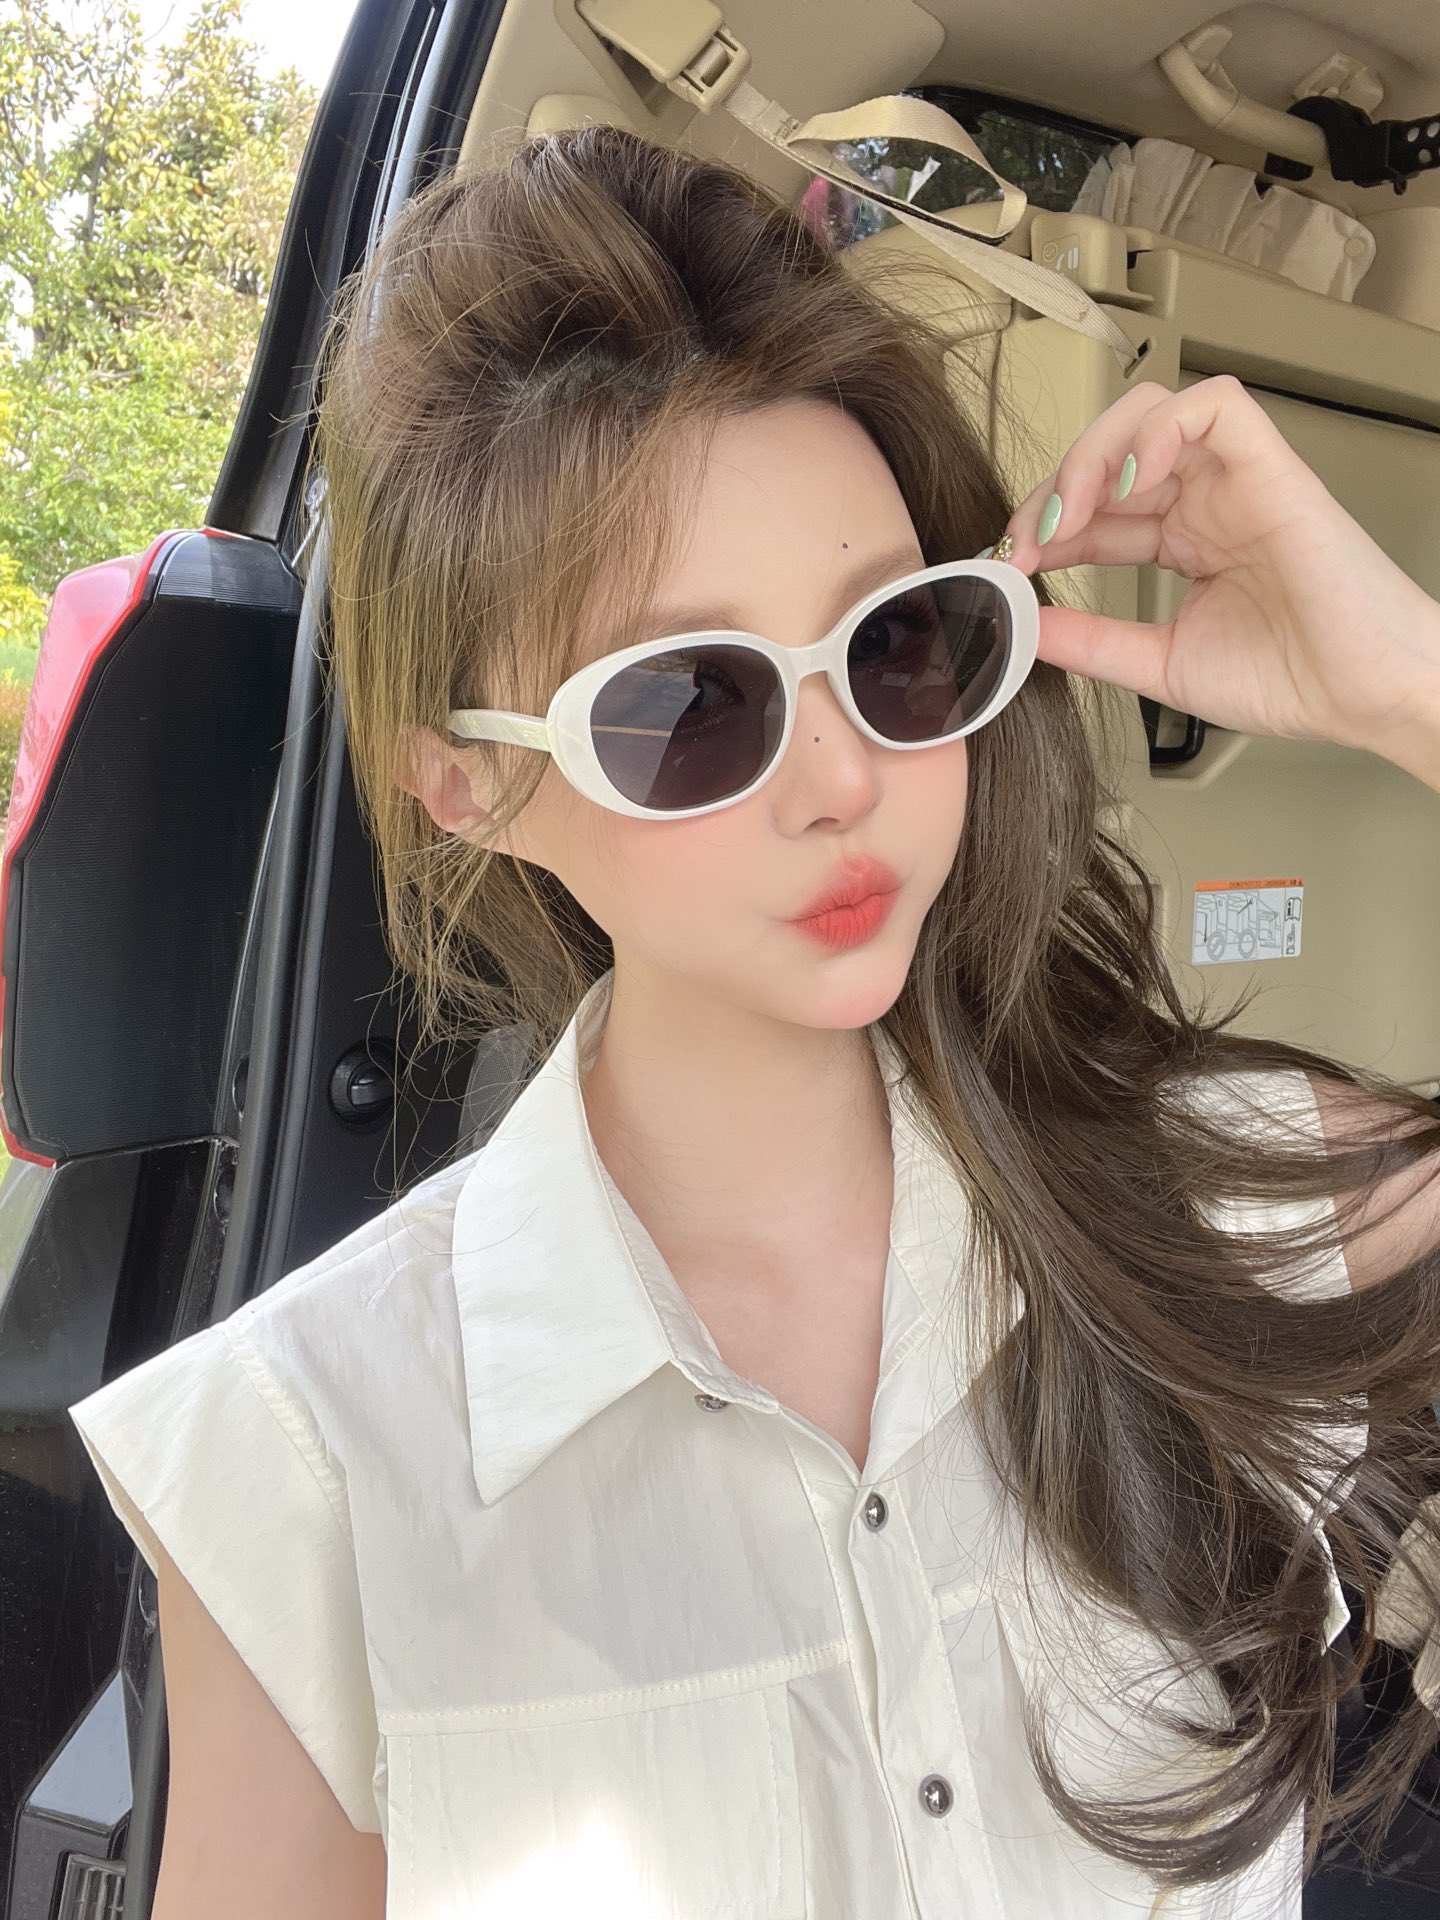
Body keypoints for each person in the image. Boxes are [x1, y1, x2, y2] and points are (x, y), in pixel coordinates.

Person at [66, 126, 1440, 1920]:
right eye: (691, 705)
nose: (844, 778)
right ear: (470, 784)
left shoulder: (1226, 1199)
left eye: (896, 644)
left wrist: (1409, 686)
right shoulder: (308, 1454)